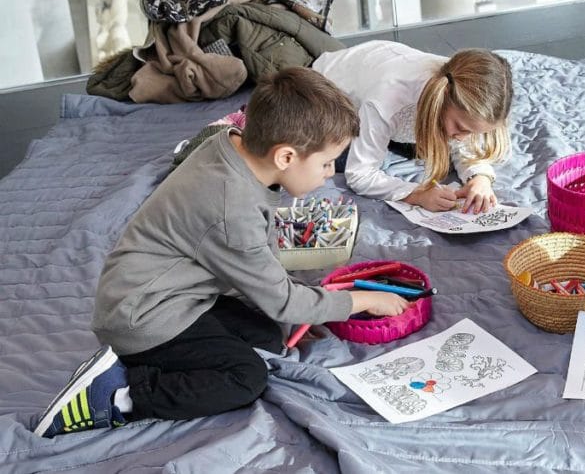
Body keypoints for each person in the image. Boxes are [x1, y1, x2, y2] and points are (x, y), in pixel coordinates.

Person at [33, 69, 410, 438]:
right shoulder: (231, 209)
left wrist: (300, 307)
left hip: (173, 294)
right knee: (246, 378)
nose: (329, 174)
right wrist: (357, 300)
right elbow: (281, 299)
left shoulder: (230, 142)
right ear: (285, 157)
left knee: (267, 335)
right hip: (142, 318)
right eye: (327, 163)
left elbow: (260, 271)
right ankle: (120, 393)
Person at [312, 41, 513, 214]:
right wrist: (416, 194)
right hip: (323, 100)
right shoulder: (387, 100)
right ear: (440, 102)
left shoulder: (460, 86)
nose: (462, 138)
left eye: (473, 132)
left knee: (432, 147)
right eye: (460, 127)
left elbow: (467, 148)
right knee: (342, 160)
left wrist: (479, 178)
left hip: (379, 69)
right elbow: (359, 174)